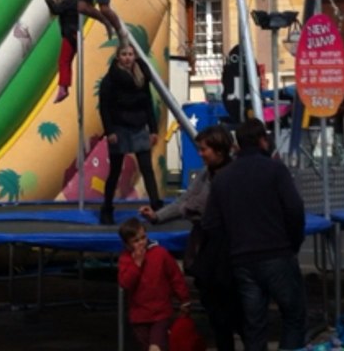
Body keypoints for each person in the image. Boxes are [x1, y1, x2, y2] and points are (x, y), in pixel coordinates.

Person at [202, 119, 307, 351]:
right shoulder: (275, 170)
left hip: (242, 260)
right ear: (263, 140)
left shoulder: (223, 178)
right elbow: (294, 209)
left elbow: (210, 224)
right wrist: (293, 243)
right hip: (277, 253)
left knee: (254, 324)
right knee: (293, 315)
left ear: (238, 144)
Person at [141, 125, 241, 351]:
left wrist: (191, 209)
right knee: (215, 309)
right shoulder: (206, 175)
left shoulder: (232, 176)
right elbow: (185, 202)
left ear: (219, 150)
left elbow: (202, 205)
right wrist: (157, 217)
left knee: (231, 309)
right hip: (208, 248)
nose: (200, 154)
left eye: (204, 149)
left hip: (226, 250)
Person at [99, 42, 164, 225]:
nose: (128, 58)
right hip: (119, 127)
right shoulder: (110, 80)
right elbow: (104, 108)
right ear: (118, 57)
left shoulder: (141, 77)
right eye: (124, 54)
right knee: (115, 170)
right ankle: (107, 209)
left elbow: (147, 103)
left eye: (130, 54)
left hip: (138, 126)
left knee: (147, 168)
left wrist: (153, 129)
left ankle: (156, 206)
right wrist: (109, 131)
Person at [118, 217, 190, 351]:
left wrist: (184, 299)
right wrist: (136, 265)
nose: (141, 243)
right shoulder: (126, 259)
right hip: (139, 316)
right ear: (127, 245)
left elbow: (175, 277)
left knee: (155, 347)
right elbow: (125, 283)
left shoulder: (160, 253)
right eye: (136, 241)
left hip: (161, 313)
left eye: (143, 238)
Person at [45, 0, 80, 103]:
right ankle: (64, 86)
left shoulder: (66, 4)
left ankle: (63, 87)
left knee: (63, 61)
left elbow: (55, 10)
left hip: (70, 35)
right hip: (75, 35)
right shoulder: (73, 4)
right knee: (67, 61)